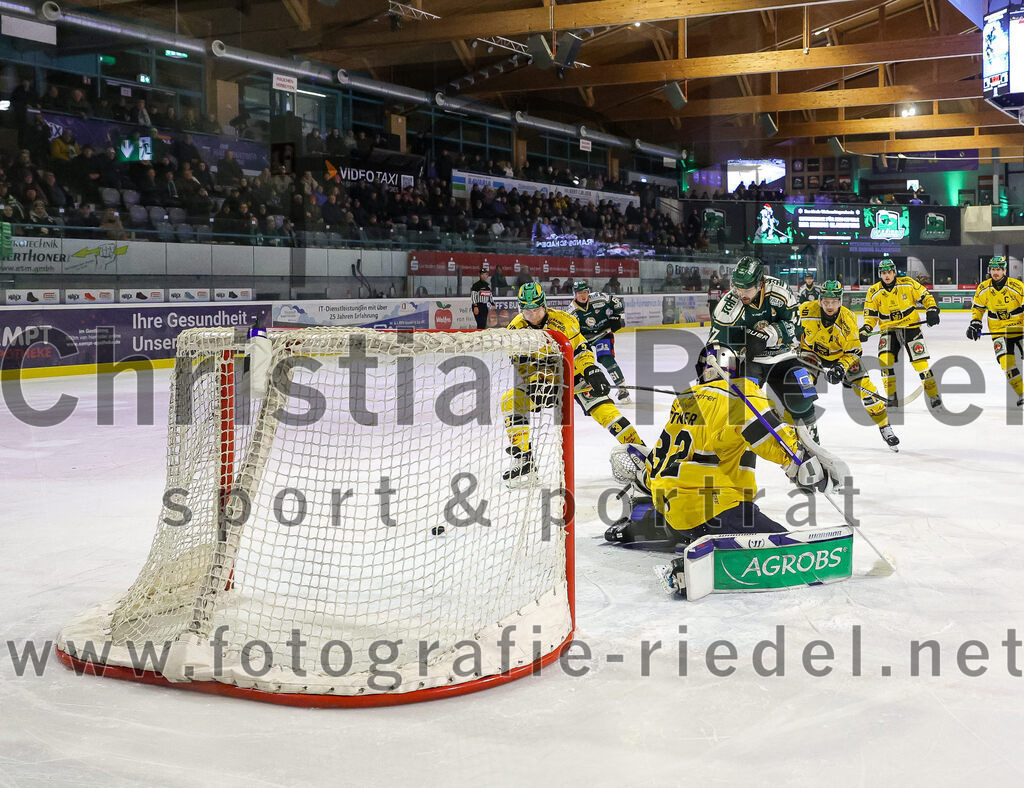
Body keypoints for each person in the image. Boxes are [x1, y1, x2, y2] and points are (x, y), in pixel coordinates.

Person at [605, 343, 825, 546]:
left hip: (674, 512)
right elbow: (762, 428)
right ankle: (690, 566)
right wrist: (797, 460)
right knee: (783, 545)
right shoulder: (740, 393)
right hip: (715, 510)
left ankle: (668, 531)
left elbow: (659, 462)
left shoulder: (684, 399)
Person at [501, 283, 645, 484]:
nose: (532, 315)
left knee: (606, 413)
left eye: (536, 310)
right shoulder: (515, 329)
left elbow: (580, 350)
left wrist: (590, 370)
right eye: (527, 310)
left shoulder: (564, 320)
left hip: (575, 375)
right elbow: (522, 364)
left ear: (544, 305)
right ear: (520, 308)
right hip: (544, 380)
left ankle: (643, 454)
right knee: (510, 402)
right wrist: (537, 382)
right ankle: (523, 459)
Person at [708, 256, 820, 440]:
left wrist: (769, 335)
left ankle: (812, 444)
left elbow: (797, 325)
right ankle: (742, 457)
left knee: (802, 400)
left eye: (746, 288)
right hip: (750, 361)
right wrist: (711, 379)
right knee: (742, 412)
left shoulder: (780, 290)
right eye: (737, 287)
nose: (740, 292)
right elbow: (714, 347)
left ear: (760, 284)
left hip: (783, 356)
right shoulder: (727, 306)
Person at [799, 281, 900, 451]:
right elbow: (786, 317)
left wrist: (840, 368)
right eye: (825, 302)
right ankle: (807, 431)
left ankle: (884, 426)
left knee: (869, 393)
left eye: (833, 302)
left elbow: (854, 352)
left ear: (840, 301)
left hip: (842, 356)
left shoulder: (848, 320)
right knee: (802, 389)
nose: (829, 306)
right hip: (811, 353)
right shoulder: (806, 310)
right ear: (819, 301)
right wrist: (790, 330)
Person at [859, 255, 943, 411]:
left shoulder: (908, 283)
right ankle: (891, 397)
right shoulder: (873, 291)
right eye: (883, 273)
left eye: (889, 272)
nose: (887, 275)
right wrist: (866, 329)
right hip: (888, 330)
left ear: (894, 272)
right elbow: (870, 316)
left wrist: (931, 309)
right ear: (880, 274)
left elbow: (925, 296)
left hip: (911, 327)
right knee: (885, 361)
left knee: (921, 363)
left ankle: (934, 395)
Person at [966, 256, 1024, 406]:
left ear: (1004, 270)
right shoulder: (983, 288)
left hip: (1019, 328)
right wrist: (975, 322)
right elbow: (978, 308)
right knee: (1007, 365)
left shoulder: (1016, 286)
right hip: (998, 331)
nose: (995, 272)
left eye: (998, 269)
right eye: (993, 269)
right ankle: (1022, 394)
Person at [567, 280, 631, 403]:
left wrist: (618, 317)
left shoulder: (598, 298)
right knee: (585, 364)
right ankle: (591, 387)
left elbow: (615, 301)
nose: (583, 295)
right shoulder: (571, 312)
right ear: (574, 294)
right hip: (585, 340)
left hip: (603, 334)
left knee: (606, 358)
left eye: (585, 292)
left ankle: (622, 389)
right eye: (580, 292)